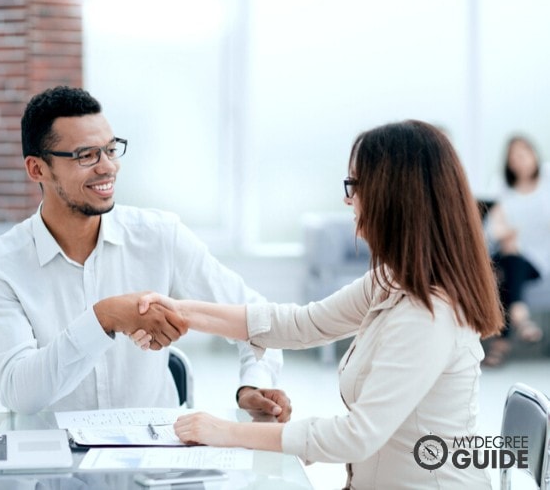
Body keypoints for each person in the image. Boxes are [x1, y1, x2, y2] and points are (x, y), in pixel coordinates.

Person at [131, 120, 502, 489]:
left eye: (355, 185)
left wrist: (225, 431)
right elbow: (300, 325)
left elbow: (356, 436)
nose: (347, 199)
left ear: (393, 196)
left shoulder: (429, 314)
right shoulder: (391, 280)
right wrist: (181, 311)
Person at [0, 86, 290, 420]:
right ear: (37, 169)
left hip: (153, 456)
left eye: (110, 150)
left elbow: (257, 319)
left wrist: (253, 385)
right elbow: (21, 395)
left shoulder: (160, 237)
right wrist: (103, 318)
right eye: (86, 155)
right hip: (52, 456)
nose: (107, 167)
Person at [482, 135, 548, 366]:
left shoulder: (547, 180)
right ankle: (520, 316)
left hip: (539, 257)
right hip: (508, 254)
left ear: (534, 155)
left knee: (507, 266)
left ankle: (501, 343)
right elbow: (491, 229)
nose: (519, 161)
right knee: (509, 258)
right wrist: (505, 234)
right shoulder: (502, 186)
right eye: (513, 157)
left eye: (523, 154)